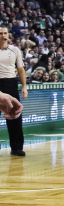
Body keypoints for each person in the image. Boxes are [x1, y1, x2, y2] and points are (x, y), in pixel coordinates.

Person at [0, 26, 27, 156]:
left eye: (5, 33)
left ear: (8, 35)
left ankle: (16, 147)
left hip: (11, 82)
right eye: (0, 33)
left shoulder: (15, 50)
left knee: (14, 114)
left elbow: (20, 69)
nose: (3, 35)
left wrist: (24, 87)